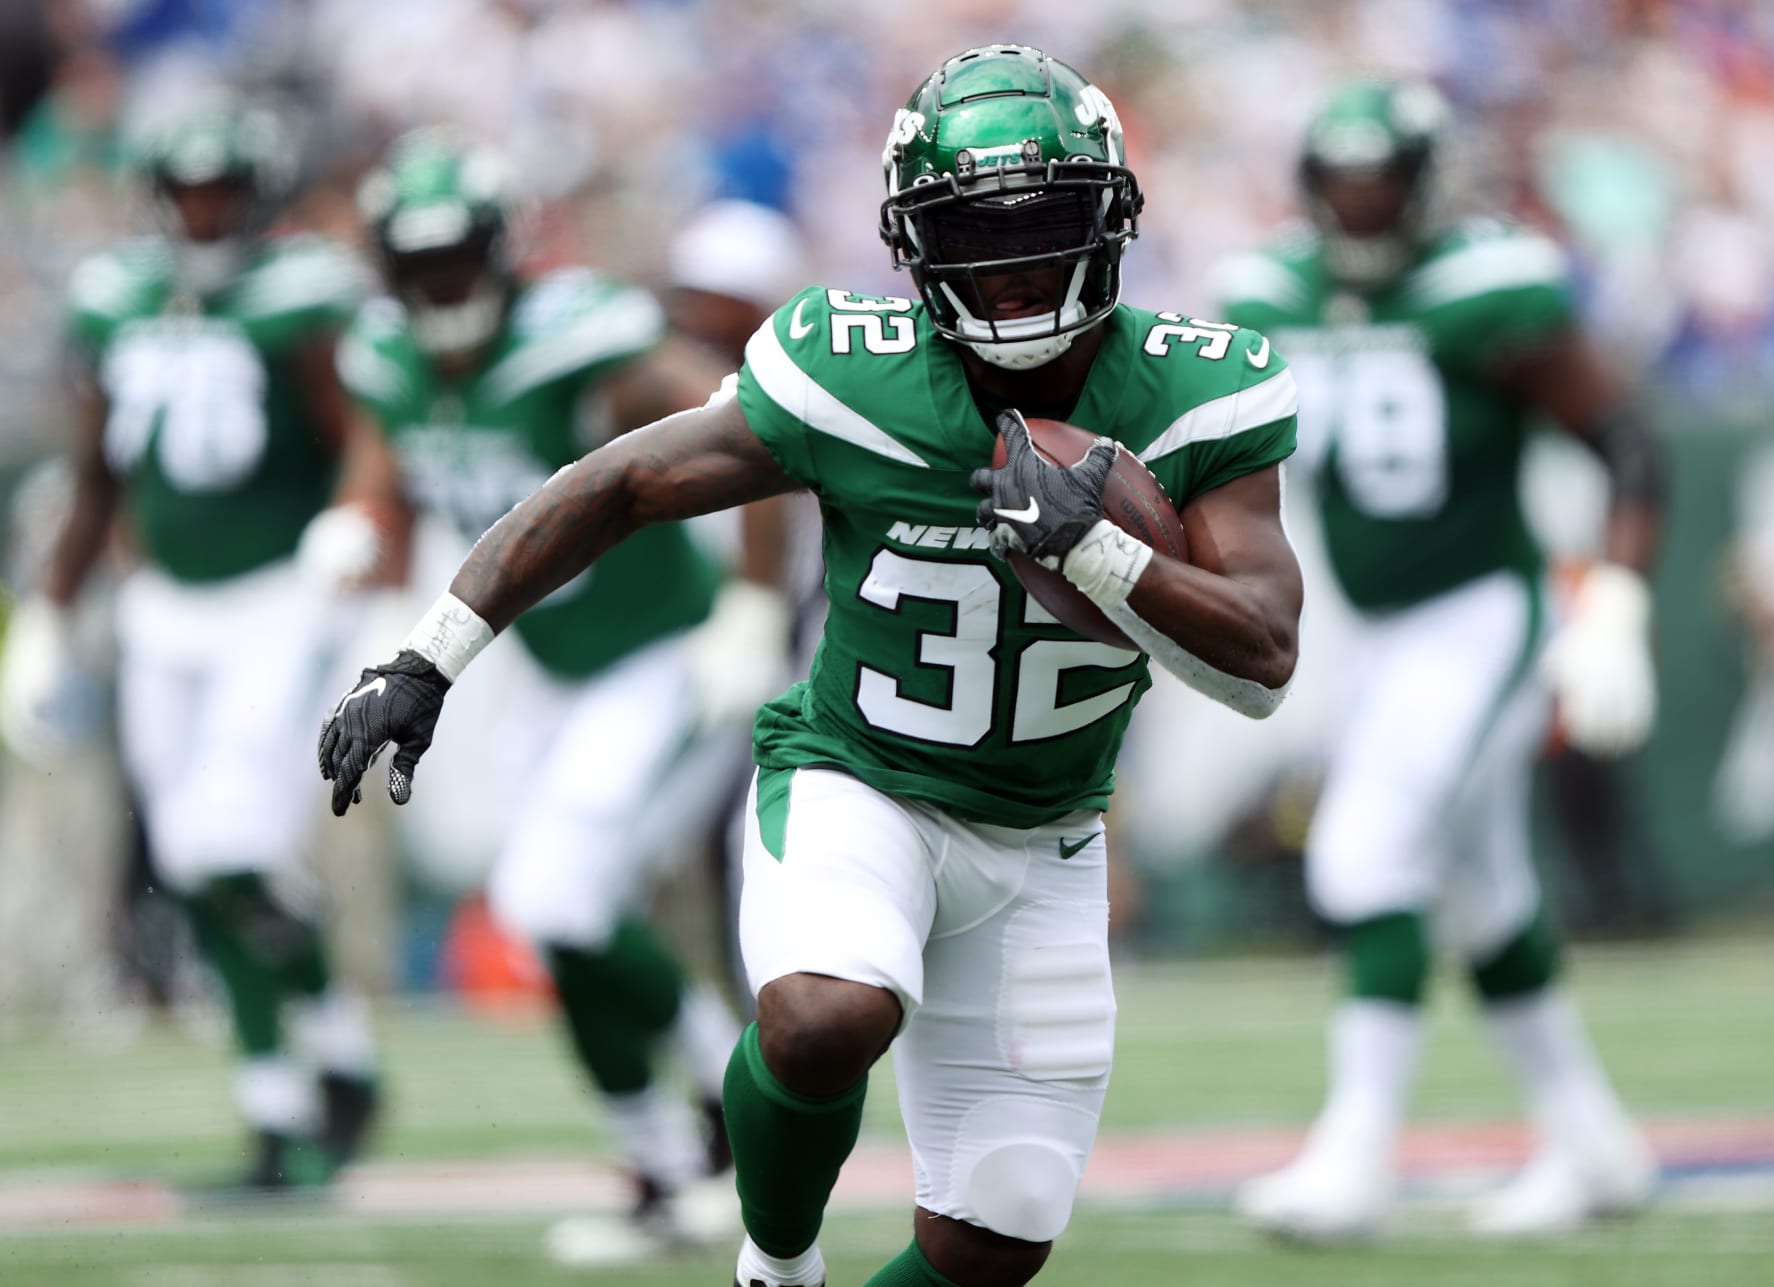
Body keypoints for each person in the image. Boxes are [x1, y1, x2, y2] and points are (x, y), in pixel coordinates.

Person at [320, 45, 1302, 1287]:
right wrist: (430, 657)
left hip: (1047, 831)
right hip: (857, 777)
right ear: (910, 244)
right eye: (975, 239)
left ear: (1110, 217)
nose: (1009, 274)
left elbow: (1263, 659)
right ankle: (773, 1265)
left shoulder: (1198, 390)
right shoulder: (854, 368)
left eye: (1045, 228)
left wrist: (1097, 552)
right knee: (825, 1013)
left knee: (995, 1237)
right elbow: (623, 478)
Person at [321, 130, 792, 1263]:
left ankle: (721, 1126)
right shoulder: (388, 355)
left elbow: (753, 435)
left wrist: (757, 602)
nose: (440, 285)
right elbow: (390, 465)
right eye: (417, 263)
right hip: (549, 670)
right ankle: (670, 1158)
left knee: (560, 900)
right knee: (559, 911)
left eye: (456, 258)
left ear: (499, 251)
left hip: (664, 654)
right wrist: (356, 527)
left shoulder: (578, 338)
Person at [1214, 79, 1664, 1240]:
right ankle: (1593, 1145)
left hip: (1481, 613)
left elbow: (1624, 440)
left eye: (1382, 184)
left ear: (1423, 183)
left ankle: (1355, 1157)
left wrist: (1613, 605)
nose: (1360, 209)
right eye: (1341, 185)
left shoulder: (1488, 289)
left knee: (1365, 856)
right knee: (1486, 893)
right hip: (1370, 623)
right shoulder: (1271, 288)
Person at [2, 104, 381, 1190]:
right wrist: (52, 607)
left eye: (223, 192)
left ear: (256, 194)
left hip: (275, 602)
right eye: (187, 192)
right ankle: (332, 1064)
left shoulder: (303, 294)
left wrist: (351, 519)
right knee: (199, 863)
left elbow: (358, 431)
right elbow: (97, 471)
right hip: (163, 607)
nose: (204, 212)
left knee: (224, 848)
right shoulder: (116, 297)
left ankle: (286, 1120)